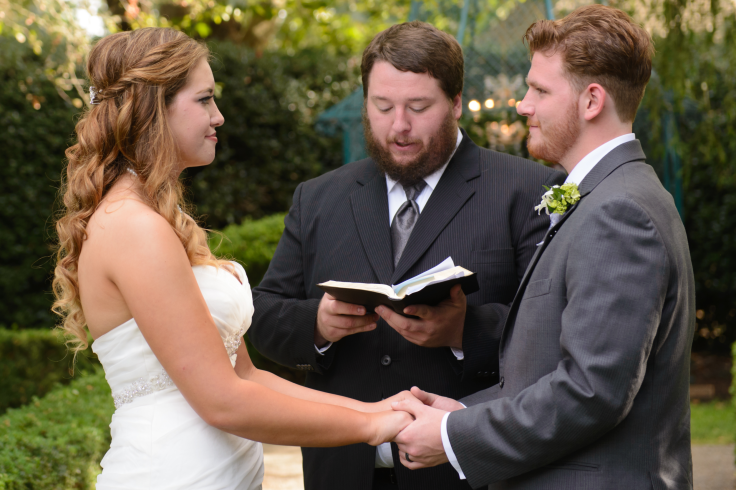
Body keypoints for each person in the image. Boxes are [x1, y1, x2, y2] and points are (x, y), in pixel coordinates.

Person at [52, 27, 413, 490]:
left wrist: (376, 409)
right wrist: (370, 430)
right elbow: (222, 401)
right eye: (204, 99)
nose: (218, 116)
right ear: (152, 108)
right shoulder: (133, 226)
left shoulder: (159, 216)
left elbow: (245, 374)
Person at [249, 21, 564, 490]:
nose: (399, 126)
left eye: (418, 107)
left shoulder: (527, 191)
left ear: (456, 103)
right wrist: (317, 323)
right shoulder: (317, 198)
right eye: (382, 107)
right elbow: (263, 318)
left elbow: (556, 331)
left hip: (466, 474)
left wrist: (463, 330)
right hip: (339, 472)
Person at [390, 5, 696, 490]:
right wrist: (464, 410)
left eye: (539, 90)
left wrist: (452, 435)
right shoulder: (608, 195)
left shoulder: (620, 213)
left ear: (591, 100)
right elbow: (548, 369)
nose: (522, 105)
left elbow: (591, 392)